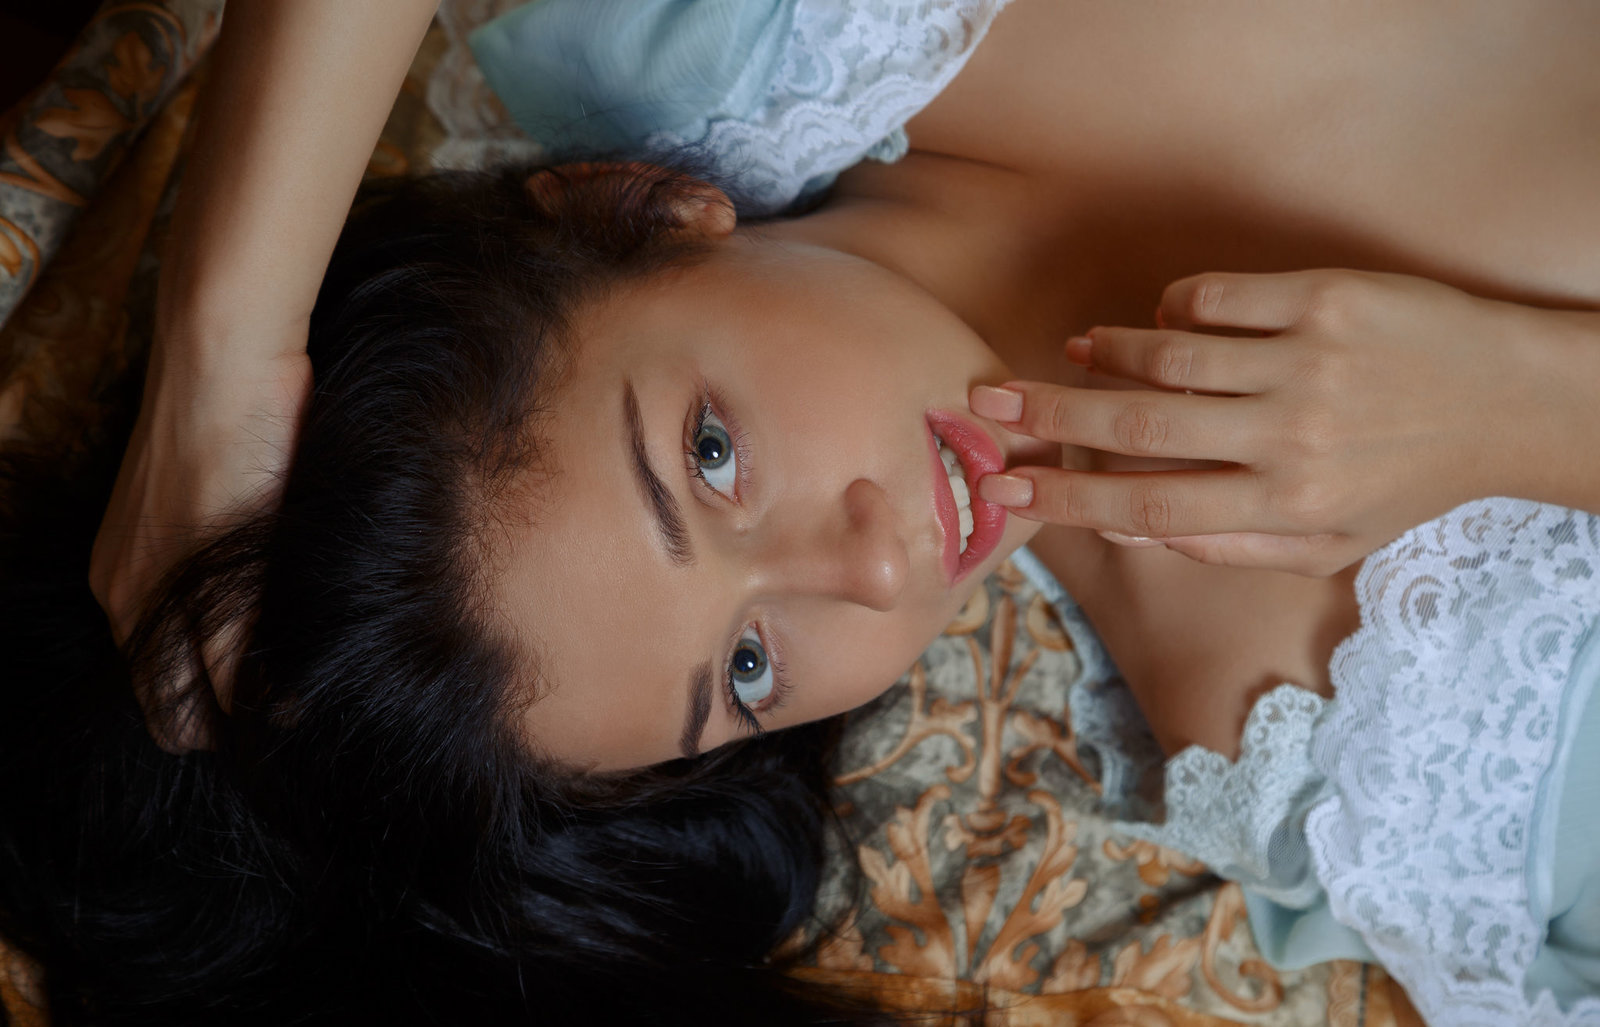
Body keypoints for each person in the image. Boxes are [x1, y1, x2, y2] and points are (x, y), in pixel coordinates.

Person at [1, 0, 1594, 1023]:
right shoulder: (1381, 754)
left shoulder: (764, 35)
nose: (874, 566)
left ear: (634, 208)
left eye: (710, 459)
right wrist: (1532, 414)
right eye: (750, 670)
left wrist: (229, 352)